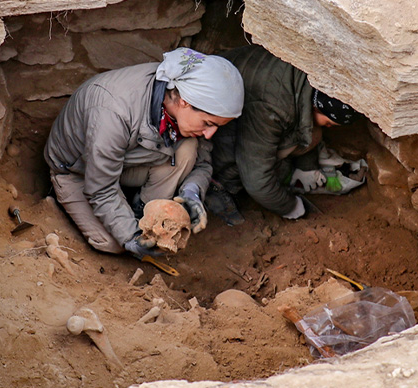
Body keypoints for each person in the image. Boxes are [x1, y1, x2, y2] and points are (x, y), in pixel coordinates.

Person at [44, 47, 244, 258]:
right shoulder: (114, 111)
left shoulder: (175, 95)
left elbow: (202, 162)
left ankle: (141, 210)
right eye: (208, 123)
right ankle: (124, 218)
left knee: (188, 149)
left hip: (125, 162)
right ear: (185, 102)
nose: (210, 134)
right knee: (113, 243)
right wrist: (132, 236)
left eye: (217, 127)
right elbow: (101, 189)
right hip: (79, 172)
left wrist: (192, 193)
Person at [207, 44, 368, 223]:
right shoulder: (273, 108)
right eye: (330, 123)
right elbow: (256, 180)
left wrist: (307, 167)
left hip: (248, 98)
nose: (329, 127)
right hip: (214, 129)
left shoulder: (304, 82)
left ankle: (292, 171)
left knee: (312, 135)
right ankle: (222, 186)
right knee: (262, 168)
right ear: (317, 107)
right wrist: (291, 207)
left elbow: (304, 121)